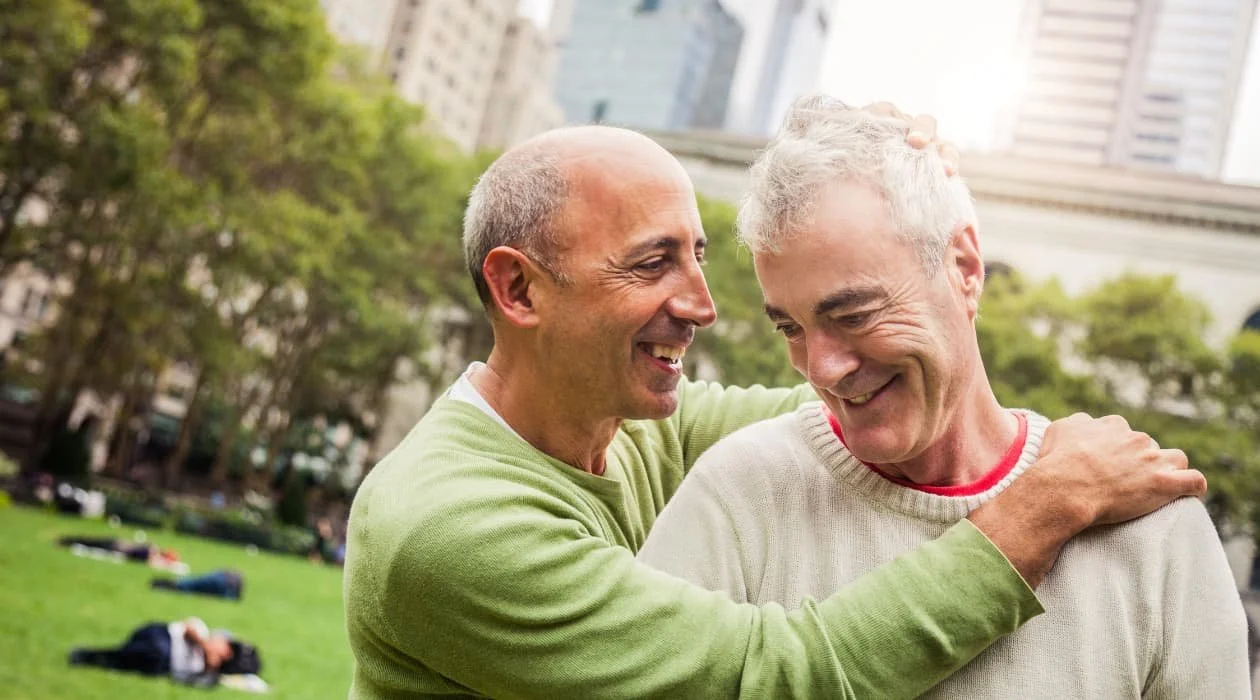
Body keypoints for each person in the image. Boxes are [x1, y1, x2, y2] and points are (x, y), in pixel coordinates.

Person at [343, 109, 1206, 699]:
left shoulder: (636, 424)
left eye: (699, 256)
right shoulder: (447, 529)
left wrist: (878, 180)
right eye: (651, 264)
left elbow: (844, 408)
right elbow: (774, 678)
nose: (701, 303)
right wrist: (1043, 505)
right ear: (518, 289)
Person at [637, 97, 1250, 698]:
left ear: (963, 267)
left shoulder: (1156, 532)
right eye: (789, 327)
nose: (820, 367)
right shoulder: (738, 492)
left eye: (853, 314)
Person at [68, 617, 261, 686]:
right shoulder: (202, 631)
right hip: (159, 637)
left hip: (160, 663)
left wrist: (208, 668)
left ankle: (94, 658)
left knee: (154, 662)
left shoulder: (208, 677)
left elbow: (184, 680)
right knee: (156, 651)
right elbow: (188, 628)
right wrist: (205, 646)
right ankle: (91, 656)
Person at [151, 568, 244, 601]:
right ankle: (173, 585)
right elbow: (230, 598)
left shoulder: (225, 576)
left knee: (194, 583)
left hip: (219, 579)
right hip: (221, 584)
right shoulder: (233, 591)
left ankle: (174, 583)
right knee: (194, 587)